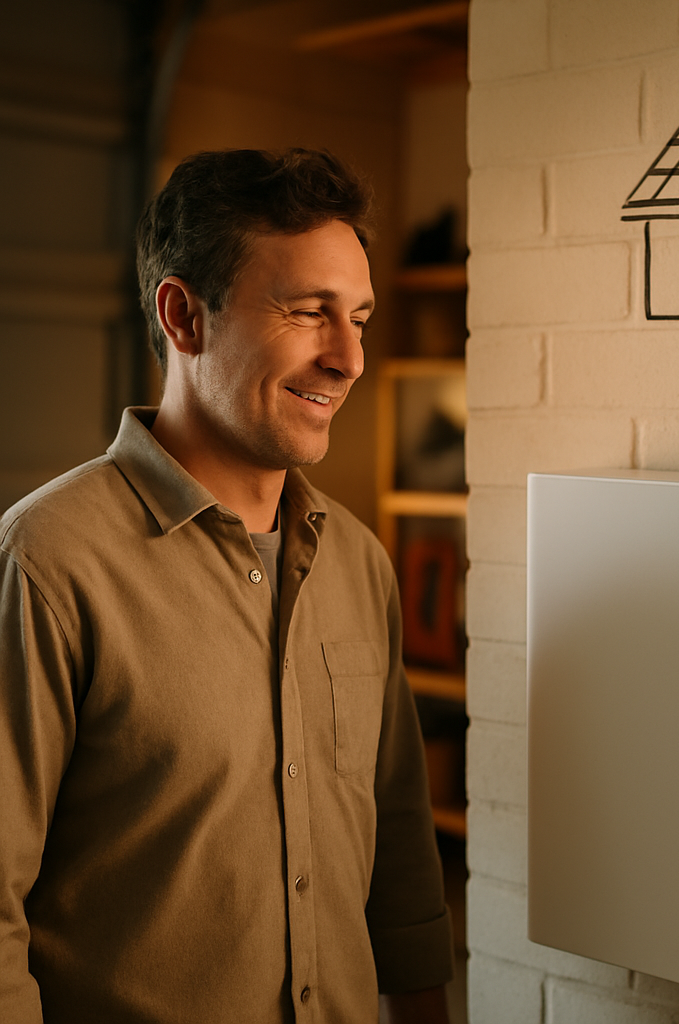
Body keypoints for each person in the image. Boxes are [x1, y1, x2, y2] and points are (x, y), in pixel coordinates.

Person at [0, 148, 453, 1023]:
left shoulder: (361, 563)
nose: (350, 358)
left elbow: (400, 856)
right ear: (184, 316)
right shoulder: (48, 562)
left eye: (359, 317)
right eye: (308, 313)